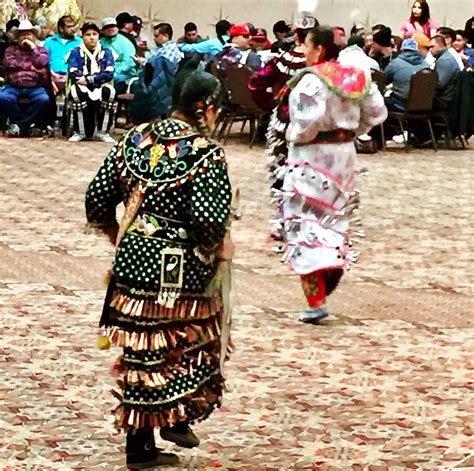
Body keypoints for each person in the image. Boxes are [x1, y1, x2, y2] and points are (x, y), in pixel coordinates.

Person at [85, 70, 233, 470]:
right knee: (188, 342)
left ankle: (155, 433)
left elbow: (97, 198)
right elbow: (207, 222)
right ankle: (169, 424)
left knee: (144, 352)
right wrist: (218, 248)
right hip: (180, 272)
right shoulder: (205, 154)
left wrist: (122, 235)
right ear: (206, 108)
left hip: (132, 263)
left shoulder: (135, 139)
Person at [279, 25, 387, 323]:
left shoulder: (312, 81)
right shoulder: (356, 75)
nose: (303, 52)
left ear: (320, 49)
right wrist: (351, 131)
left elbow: (306, 120)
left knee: (305, 221)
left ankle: (316, 298)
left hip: (311, 157)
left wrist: (294, 136)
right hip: (344, 156)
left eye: (306, 46)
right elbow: (377, 113)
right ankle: (333, 263)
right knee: (335, 215)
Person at [248, 16, 315, 242]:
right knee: (310, 171)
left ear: (296, 35)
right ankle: (310, 221)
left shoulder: (284, 59)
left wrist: (271, 105)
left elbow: (256, 82)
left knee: (282, 169)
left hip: (284, 122)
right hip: (314, 125)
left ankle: (284, 220)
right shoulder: (321, 62)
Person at [67, 22, 116, 143]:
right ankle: (80, 131)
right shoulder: (76, 52)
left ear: (99, 36)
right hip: (81, 85)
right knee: (76, 93)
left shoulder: (107, 52)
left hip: (99, 84)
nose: (92, 37)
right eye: (88, 34)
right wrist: (85, 79)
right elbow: (73, 72)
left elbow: (109, 73)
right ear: (82, 37)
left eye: (94, 34)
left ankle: (103, 131)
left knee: (109, 92)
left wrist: (89, 79)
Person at [0, 19, 50, 137]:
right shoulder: (10, 50)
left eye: (28, 34)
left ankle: (19, 127)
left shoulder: (42, 50)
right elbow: (9, 64)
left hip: (35, 86)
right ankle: (25, 126)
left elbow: (43, 62)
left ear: (34, 36)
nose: (25, 37)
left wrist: (33, 50)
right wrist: (32, 67)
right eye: (22, 34)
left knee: (43, 99)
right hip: (13, 86)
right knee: (3, 97)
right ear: (18, 37)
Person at [129, 22, 182, 123]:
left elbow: (161, 68)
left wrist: (143, 62)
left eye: (157, 36)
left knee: (140, 92)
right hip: (155, 81)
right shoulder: (162, 49)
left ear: (166, 35)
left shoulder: (170, 50)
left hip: (161, 84)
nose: (154, 39)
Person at [384, 38, 429, 111]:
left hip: (400, 104)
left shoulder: (396, 63)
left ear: (402, 49)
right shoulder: (426, 65)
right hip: (423, 106)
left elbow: (383, 79)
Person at [100, 17, 137, 93]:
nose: (110, 29)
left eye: (113, 26)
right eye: (107, 27)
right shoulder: (100, 42)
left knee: (115, 81)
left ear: (117, 28)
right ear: (103, 31)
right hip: (105, 73)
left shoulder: (125, 42)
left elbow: (128, 62)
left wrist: (114, 73)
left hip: (124, 74)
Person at [44, 15, 81, 89]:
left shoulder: (79, 42)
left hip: (73, 78)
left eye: (73, 26)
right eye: (69, 27)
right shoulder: (49, 41)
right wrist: (52, 74)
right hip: (51, 77)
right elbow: (44, 60)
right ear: (61, 28)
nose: (73, 29)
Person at [429, 34, 461, 111]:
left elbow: (439, 84)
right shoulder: (446, 57)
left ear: (442, 45)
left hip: (444, 101)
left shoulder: (445, 60)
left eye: (432, 47)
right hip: (448, 98)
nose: (430, 50)